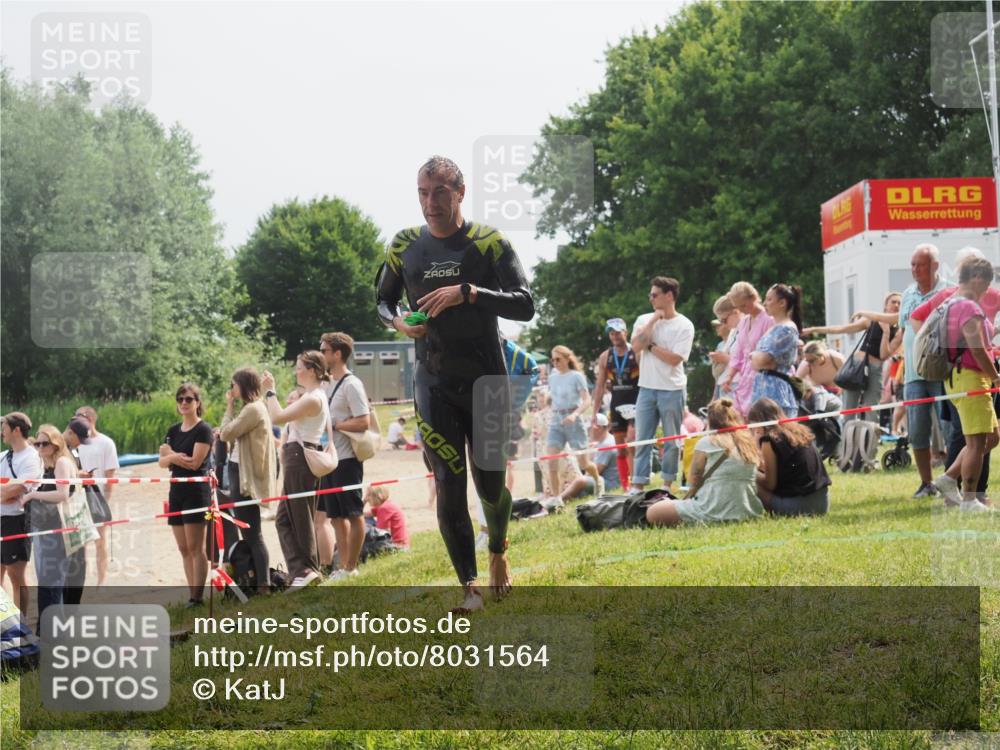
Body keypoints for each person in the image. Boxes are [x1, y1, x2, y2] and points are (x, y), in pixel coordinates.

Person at [375, 155, 534, 611]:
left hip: (486, 379)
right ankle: (469, 586)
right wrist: (400, 323)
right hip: (433, 382)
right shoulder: (405, 246)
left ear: (460, 193)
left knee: (490, 486)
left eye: (440, 193)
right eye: (423, 194)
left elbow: (525, 304)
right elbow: (383, 302)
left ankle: (498, 550)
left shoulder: (487, 242)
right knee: (448, 482)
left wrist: (469, 293)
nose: (431, 203)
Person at [908, 247, 1000, 502]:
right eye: (987, 283)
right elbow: (978, 350)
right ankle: (969, 500)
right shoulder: (967, 306)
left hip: (963, 376)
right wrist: (996, 377)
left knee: (991, 437)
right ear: (977, 279)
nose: (988, 290)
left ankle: (948, 478)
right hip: (971, 375)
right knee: (975, 443)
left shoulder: (956, 302)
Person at [868, 244, 949, 497]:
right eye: (912, 264)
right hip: (914, 375)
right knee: (917, 431)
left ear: (934, 266)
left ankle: (953, 481)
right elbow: (904, 331)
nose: (914, 270)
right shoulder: (908, 294)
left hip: (942, 373)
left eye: (920, 264)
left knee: (950, 430)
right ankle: (927, 483)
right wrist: (888, 350)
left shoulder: (949, 291)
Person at [262, 352, 330, 591]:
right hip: (296, 457)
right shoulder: (312, 396)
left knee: (300, 516)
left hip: (300, 458)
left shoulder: (313, 398)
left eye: (299, 367)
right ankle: (300, 569)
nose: (296, 371)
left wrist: (270, 391)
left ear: (311, 370)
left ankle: (308, 569)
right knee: (283, 519)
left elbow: (277, 417)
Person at [645, 399, 764, 527]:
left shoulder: (706, 442)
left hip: (711, 508)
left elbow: (693, 479)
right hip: (748, 511)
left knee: (653, 512)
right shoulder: (748, 443)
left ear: (710, 420)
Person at [630, 276, 695, 494]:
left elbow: (675, 358)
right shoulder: (643, 319)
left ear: (669, 296)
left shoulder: (685, 325)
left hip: (672, 389)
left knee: (671, 440)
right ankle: (637, 484)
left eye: (655, 294)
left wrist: (652, 346)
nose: (651, 298)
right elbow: (636, 347)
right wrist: (652, 322)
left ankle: (667, 484)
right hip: (646, 387)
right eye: (650, 294)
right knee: (642, 439)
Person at [20, 424, 87, 632]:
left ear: (56, 443)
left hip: (59, 530)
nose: (40, 447)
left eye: (44, 443)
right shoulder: (45, 463)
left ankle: (51, 632)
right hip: (44, 528)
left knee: (52, 582)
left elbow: (62, 494)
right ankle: (48, 630)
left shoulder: (62, 462)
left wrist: (32, 495)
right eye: (37, 443)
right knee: (47, 582)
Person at [319, 331, 372, 581]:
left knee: (353, 513)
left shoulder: (352, 384)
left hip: (348, 458)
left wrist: (336, 425)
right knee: (336, 517)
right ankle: (344, 566)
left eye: (325, 350)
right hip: (330, 458)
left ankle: (352, 566)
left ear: (337, 354)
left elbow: (364, 421)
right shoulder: (327, 383)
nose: (321, 354)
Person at [219, 368, 276, 594]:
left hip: (243, 476)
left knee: (253, 533)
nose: (231, 390)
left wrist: (229, 407)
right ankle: (259, 581)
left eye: (233, 385)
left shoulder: (252, 409)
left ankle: (263, 584)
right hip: (238, 472)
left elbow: (225, 433)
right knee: (250, 532)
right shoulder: (252, 408)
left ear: (242, 386)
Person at [803, 292, 901, 422]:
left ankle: (869, 441)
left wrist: (886, 332)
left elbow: (883, 355)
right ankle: (847, 441)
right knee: (849, 410)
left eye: (900, 303)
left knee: (871, 410)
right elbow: (842, 329)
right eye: (893, 302)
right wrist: (814, 329)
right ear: (885, 306)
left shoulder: (900, 330)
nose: (896, 305)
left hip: (875, 369)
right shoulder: (871, 320)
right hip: (857, 365)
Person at [158, 383, 213, 607]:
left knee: (195, 547)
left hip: (196, 493)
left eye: (188, 399)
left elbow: (195, 463)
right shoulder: (173, 430)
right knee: (183, 548)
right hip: (176, 491)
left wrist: (170, 455)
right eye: (180, 399)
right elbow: (161, 462)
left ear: (197, 402)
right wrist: (172, 457)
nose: (183, 403)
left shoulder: (203, 430)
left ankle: (197, 597)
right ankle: (192, 594)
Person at [747, 398, 831, 516]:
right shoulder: (799, 430)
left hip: (799, 507)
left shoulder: (769, 440)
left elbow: (770, 484)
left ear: (759, 424)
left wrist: (750, 471)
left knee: (747, 480)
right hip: (823, 503)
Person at [545, 345, 600, 500]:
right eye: (553, 359)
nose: (555, 362)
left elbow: (587, 400)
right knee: (551, 461)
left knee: (584, 464)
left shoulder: (576, 376)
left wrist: (575, 415)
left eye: (558, 359)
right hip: (556, 421)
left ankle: (597, 480)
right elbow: (554, 399)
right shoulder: (552, 377)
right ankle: (556, 500)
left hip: (574, 421)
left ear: (567, 358)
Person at [72, 405, 119, 586]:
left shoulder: (106, 442)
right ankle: (80, 582)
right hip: (76, 499)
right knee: (80, 543)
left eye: (79, 417)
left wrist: (106, 502)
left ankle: (101, 581)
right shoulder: (74, 444)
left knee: (100, 541)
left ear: (90, 419)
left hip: (97, 498)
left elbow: (110, 477)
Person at [592, 317, 640, 489]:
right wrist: (594, 411)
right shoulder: (606, 356)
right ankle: (625, 486)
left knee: (632, 443)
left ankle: (636, 483)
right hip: (617, 404)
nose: (615, 336)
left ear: (625, 333)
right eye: (611, 333)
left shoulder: (636, 352)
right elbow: (599, 385)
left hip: (636, 402)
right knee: (620, 448)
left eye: (618, 332)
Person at [0, 413, 41, 615]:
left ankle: (21, 627)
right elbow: (7, 493)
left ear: (16, 430)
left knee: (16, 575)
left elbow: (15, 491)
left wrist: (7, 493)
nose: (1, 431)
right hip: (2, 517)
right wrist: (6, 493)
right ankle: (6, 621)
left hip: (16, 519)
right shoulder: (4, 456)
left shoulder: (31, 457)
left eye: (4, 426)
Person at [718, 282, 774, 416]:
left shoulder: (769, 319)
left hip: (763, 377)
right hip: (745, 378)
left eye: (743, 305)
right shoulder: (744, 321)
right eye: (738, 307)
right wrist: (730, 376)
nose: (742, 309)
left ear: (754, 297)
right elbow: (738, 353)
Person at [749, 284, 803, 417]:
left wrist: (755, 356)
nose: (765, 303)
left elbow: (762, 359)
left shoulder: (786, 329)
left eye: (769, 299)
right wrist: (758, 358)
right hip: (763, 389)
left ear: (782, 303)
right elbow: (758, 362)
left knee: (777, 434)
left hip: (776, 392)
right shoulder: (774, 328)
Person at [708, 295, 742, 401]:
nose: (723, 324)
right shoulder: (733, 331)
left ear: (735, 312)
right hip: (726, 385)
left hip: (739, 385)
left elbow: (750, 362)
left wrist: (726, 359)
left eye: (724, 320)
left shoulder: (746, 330)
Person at [589, 413, 621, 494]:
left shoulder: (606, 445)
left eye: (591, 427)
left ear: (599, 428)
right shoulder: (602, 442)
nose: (589, 430)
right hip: (604, 480)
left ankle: (560, 498)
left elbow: (595, 471)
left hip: (610, 484)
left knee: (580, 481)